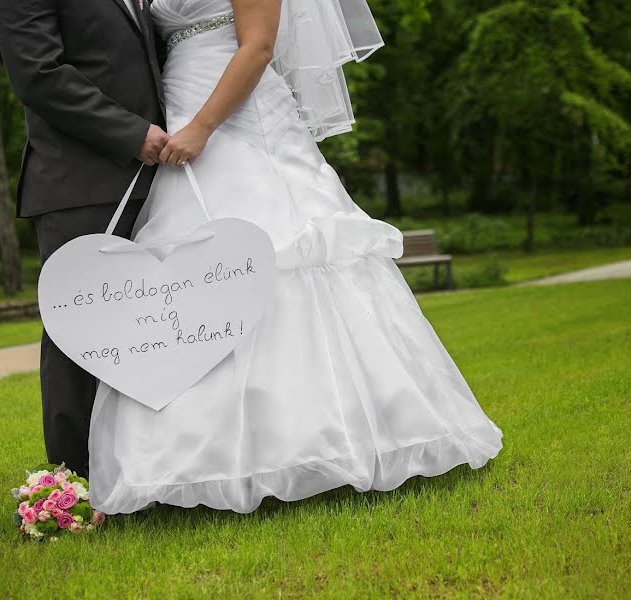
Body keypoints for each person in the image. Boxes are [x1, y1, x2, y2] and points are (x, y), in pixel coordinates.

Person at [88, 0, 504, 514]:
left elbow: (258, 46)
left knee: (285, 252)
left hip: (236, 115)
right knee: (194, 273)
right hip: (177, 104)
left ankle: (324, 438)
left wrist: (202, 127)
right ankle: (191, 456)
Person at [0, 0, 170, 478]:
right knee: (78, 332)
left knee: (153, 328)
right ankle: (77, 477)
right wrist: (132, 134)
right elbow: (38, 74)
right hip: (79, 182)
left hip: (157, 177)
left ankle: (145, 468)